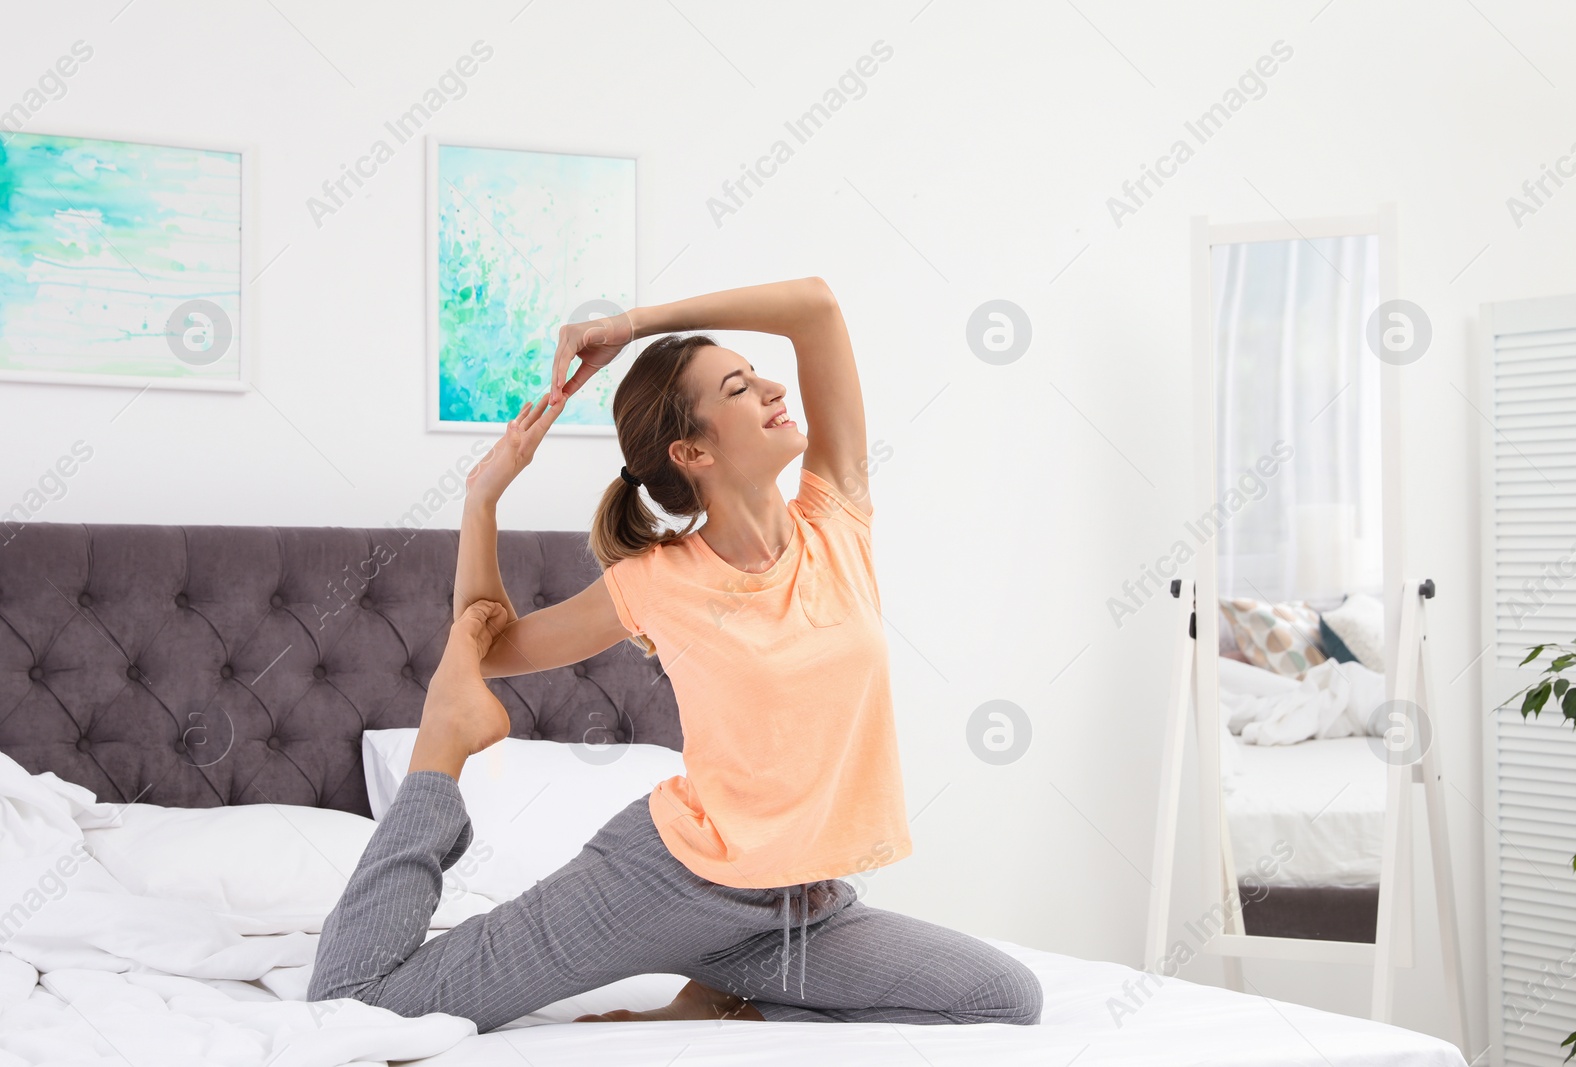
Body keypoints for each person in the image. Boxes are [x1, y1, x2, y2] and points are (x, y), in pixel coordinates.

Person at [307, 277, 1044, 1031]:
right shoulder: (656, 582)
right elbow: (486, 645)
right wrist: (481, 498)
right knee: (361, 1003)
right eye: (739, 386)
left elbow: (817, 308)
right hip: (667, 882)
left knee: (1006, 998)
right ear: (691, 449)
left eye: (756, 374)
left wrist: (632, 324)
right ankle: (438, 750)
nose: (771, 387)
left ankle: (724, 990)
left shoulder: (837, 520)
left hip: (798, 910)